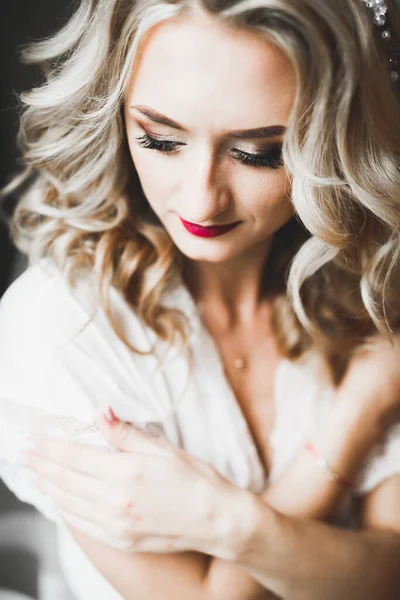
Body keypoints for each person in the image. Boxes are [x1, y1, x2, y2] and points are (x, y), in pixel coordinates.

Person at [0, 0, 400, 598]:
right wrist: (359, 412)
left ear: (333, 139)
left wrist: (224, 523)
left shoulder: (374, 285)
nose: (201, 200)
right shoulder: (53, 328)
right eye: (161, 140)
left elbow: (388, 573)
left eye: (258, 153)